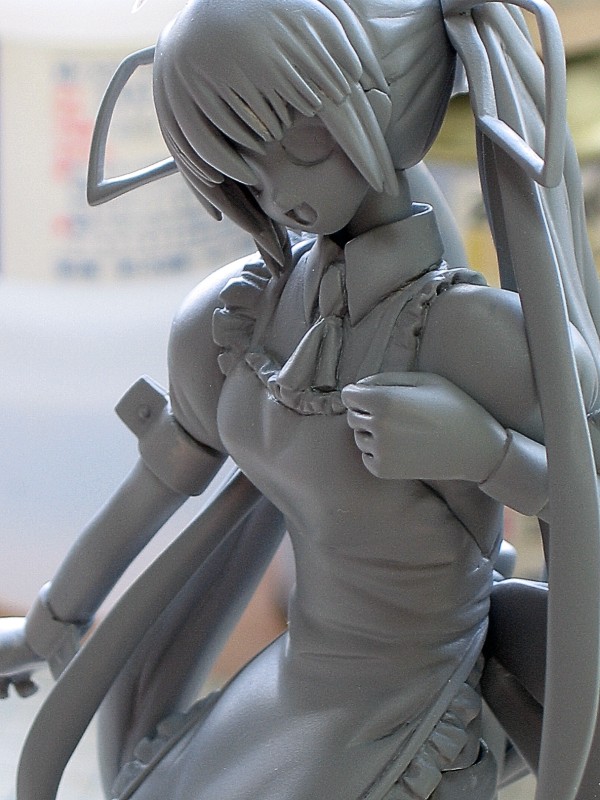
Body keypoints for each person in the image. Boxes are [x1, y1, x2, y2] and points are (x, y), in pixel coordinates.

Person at [1, 1, 599, 799]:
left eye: (304, 144)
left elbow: (585, 503)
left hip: (405, 697)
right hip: (287, 685)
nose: (280, 194)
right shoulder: (242, 317)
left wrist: (483, 452)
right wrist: (49, 624)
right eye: (245, 166)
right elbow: (156, 486)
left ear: (384, 107)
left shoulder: (470, 335)